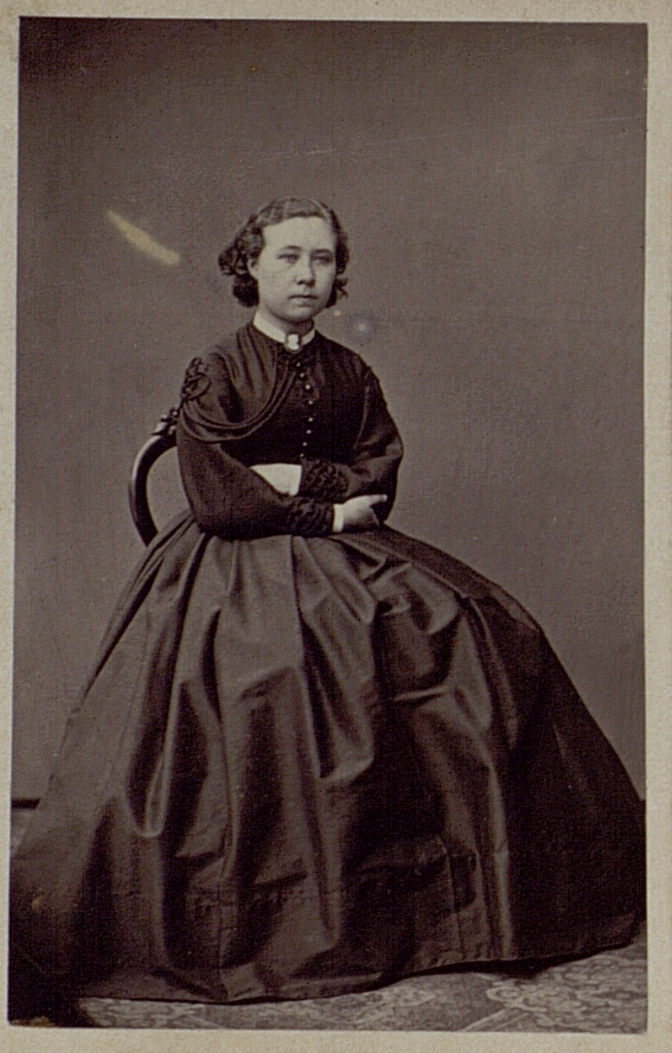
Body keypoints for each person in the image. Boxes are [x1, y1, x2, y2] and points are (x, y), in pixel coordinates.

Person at [10, 197, 644, 1019]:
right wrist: (323, 508)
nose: (306, 274)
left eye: (321, 259)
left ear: (337, 273)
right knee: (272, 671)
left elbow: (378, 472)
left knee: (472, 628)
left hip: (347, 556)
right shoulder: (217, 367)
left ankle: (431, 906)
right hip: (229, 568)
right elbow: (219, 498)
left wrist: (300, 481)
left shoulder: (352, 371)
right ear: (251, 267)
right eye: (288, 257)